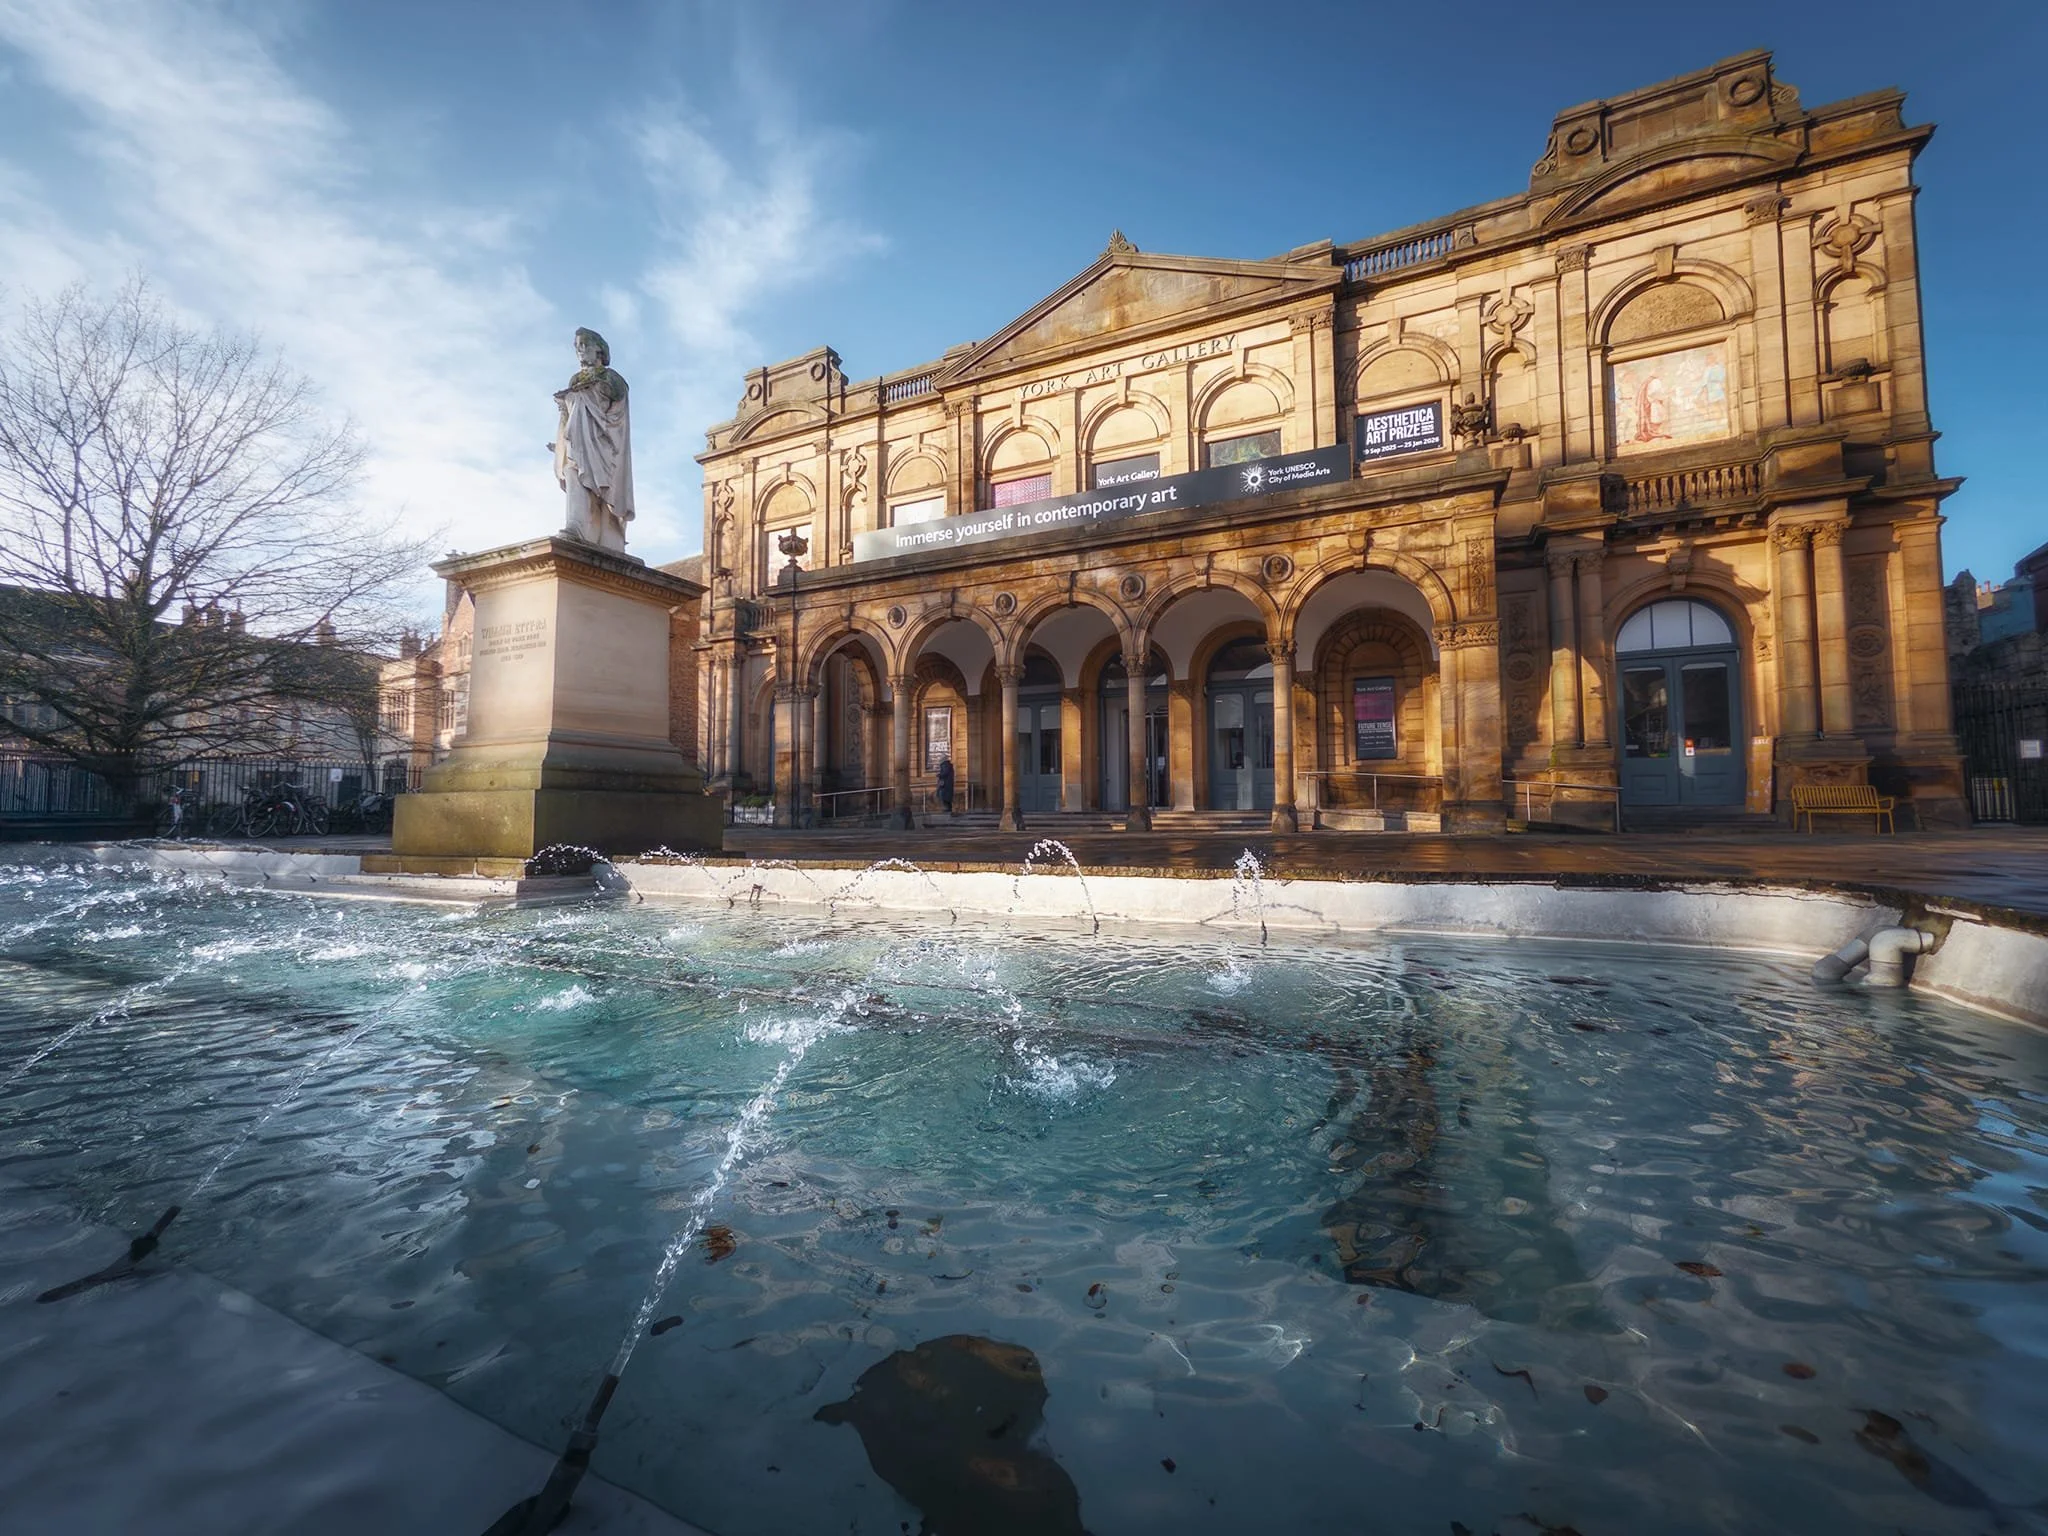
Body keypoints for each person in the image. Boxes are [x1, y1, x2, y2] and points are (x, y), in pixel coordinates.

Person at [553, 327, 635, 551]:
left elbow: (615, 407)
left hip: (603, 443)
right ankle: (576, 526)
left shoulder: (612, 378)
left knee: (605, 491)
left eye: (584, 345)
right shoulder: (575, 379)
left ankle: (608, 538)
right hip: (576, 440)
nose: (580, 350)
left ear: (599, 350)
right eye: (577, 346)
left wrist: (582, 394)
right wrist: (560, 441)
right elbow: (568, 413)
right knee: (573, 474)